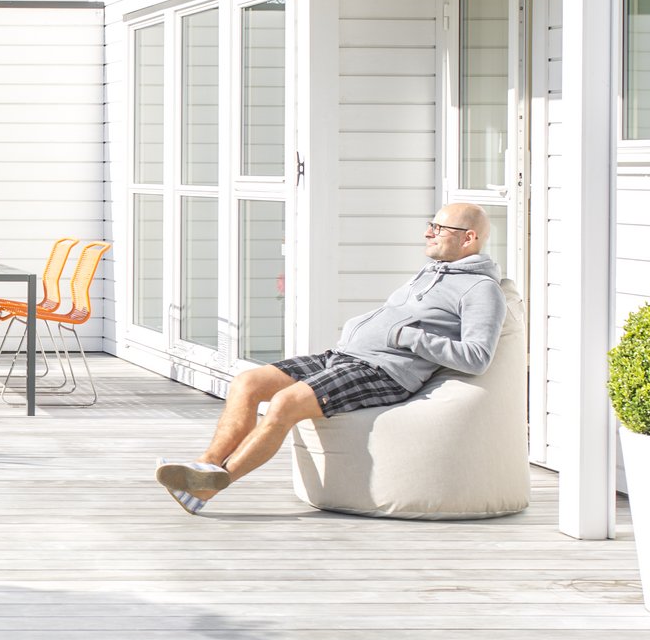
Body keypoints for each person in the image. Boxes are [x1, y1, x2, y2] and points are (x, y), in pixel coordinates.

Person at [156, 203, 507, 515]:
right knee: (247, 382)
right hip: (345, 356)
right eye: (431, 224)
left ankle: (207, 488)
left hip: (383, 372)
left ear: (469, 238)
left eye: (438, 228)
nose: (428, 232)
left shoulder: (481, 290)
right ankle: (205, 465)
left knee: (284, 403)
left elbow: (477, 357)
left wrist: (407, 336)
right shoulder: (433, 272)